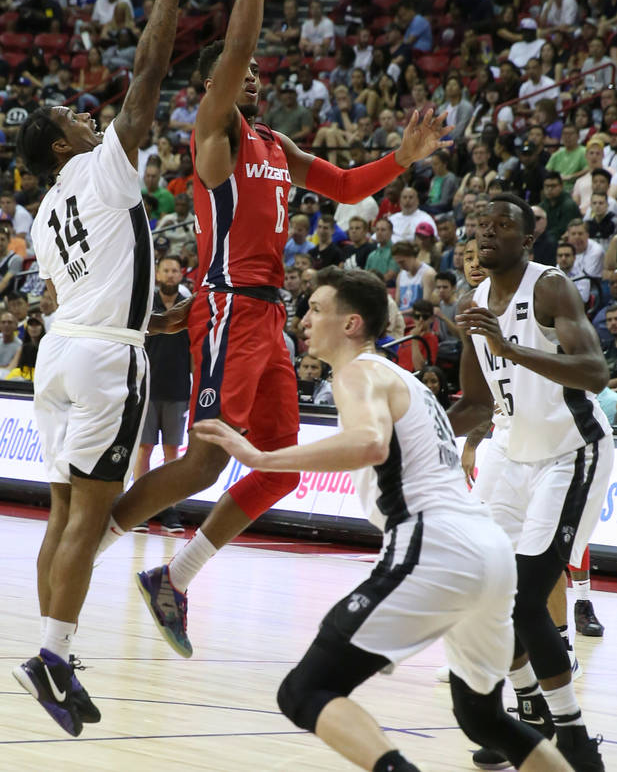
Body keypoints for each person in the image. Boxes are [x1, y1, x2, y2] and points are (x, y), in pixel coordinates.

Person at [96, 0, 450, 661]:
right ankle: (97, 534)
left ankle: (174, 579)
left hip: (268, 319)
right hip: (225, 307)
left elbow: (352, 188)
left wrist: (405, 159)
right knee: (204, 460)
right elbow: (235, 44)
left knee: (280, 465)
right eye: (236, 70)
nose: (248, 73)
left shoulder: (275, 146)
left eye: (256, 71)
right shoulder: (211, 142)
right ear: (218, 85)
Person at [194, 268, 573, 772]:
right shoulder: (403, 379)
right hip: (488, 551)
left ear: (352, 323)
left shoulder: (359, 373)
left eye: (317, 310)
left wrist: (261, 459)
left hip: (435, 545)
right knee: (484, 718)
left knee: (305, 690)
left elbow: (369, 442)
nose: (304, 319)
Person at [10, 0, 198, 737]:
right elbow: (150, 71)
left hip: (59, 355)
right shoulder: (98, 167)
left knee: (63, 516)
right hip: (104, 361)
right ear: (62, 145)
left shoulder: (45, 211)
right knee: (90, 517)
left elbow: (78, 284)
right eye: (74, 120)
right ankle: (51, 655)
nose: (90, 117)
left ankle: (50, 649)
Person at [451, 194, 612, 771]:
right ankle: (527, 712)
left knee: (523, 599)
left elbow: (595, 372)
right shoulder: (471, 302)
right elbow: (474, 403)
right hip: (510, 455)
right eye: (480, 227)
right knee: (479, 590)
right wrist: (417, 438)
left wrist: (509, 346)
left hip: (570, 453)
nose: (487, 235)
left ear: (527, 238)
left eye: (501, 227)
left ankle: (572, 738)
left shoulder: (549, 287)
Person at [133, 255, 192, 535]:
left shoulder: (189, 304)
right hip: (147, 387)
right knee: (144, 449)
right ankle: (139, 509)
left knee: (172, 452)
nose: (170, 275)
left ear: (181, 275)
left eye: (175, 271)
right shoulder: (146, 302)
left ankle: (170, 510)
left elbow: (196, 349)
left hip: (178, 388)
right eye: (166, 270)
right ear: (157, 274)